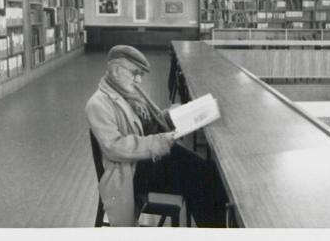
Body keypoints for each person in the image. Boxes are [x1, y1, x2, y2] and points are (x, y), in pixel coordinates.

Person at [85, 45, 227, 227]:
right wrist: (160, 141)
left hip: (147, 158)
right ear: (116, 70)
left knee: (208, 172)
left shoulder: (130, 91)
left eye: (141, 75)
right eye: (135, 73)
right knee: (201, 178)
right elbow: (115, 148)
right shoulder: (98, 104)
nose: (138, 80)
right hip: (130, 172)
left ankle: (217, 224)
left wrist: (176, 116)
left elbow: (151, 122)